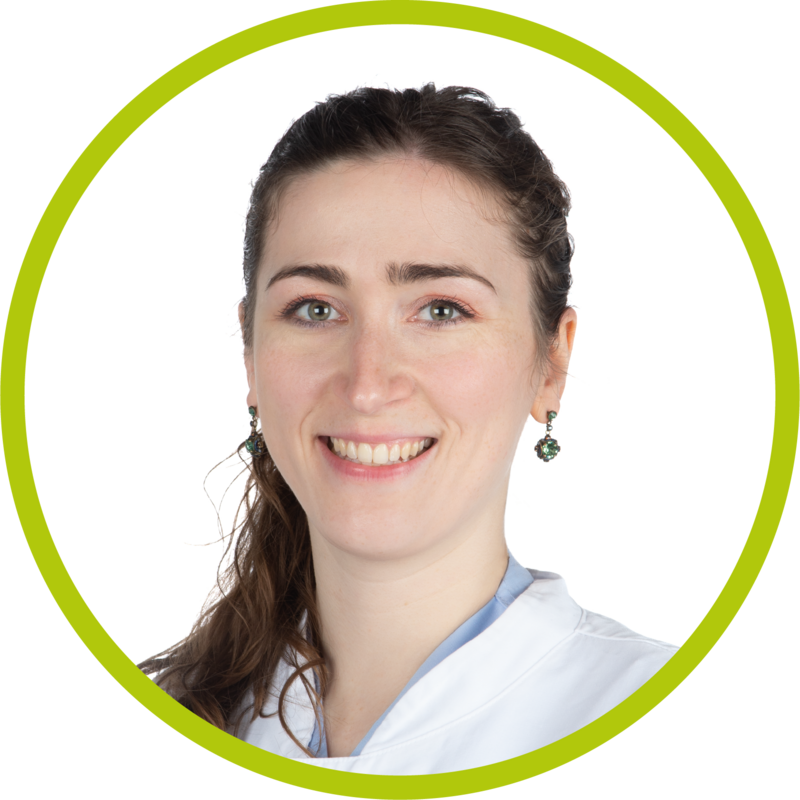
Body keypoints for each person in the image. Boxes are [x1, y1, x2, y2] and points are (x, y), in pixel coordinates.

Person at [140, 84, 677, 774]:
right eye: (314, 309)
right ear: (250, 353)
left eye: (442, 311)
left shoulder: (639, 698)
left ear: (551, 364)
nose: (367, 386)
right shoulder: (175, 704)